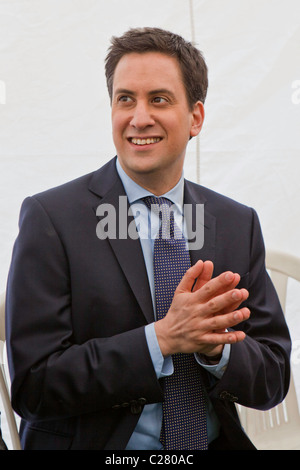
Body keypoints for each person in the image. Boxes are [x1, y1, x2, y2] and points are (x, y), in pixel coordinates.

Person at [5, 27, 291, 450]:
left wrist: (216, 349)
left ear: (195, 118)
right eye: (125, 99)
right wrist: (160, 340)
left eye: (158, 99)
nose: (139, 118)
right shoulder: (52, 218)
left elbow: (273, 377)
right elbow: (34, 386)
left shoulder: (236, 222)